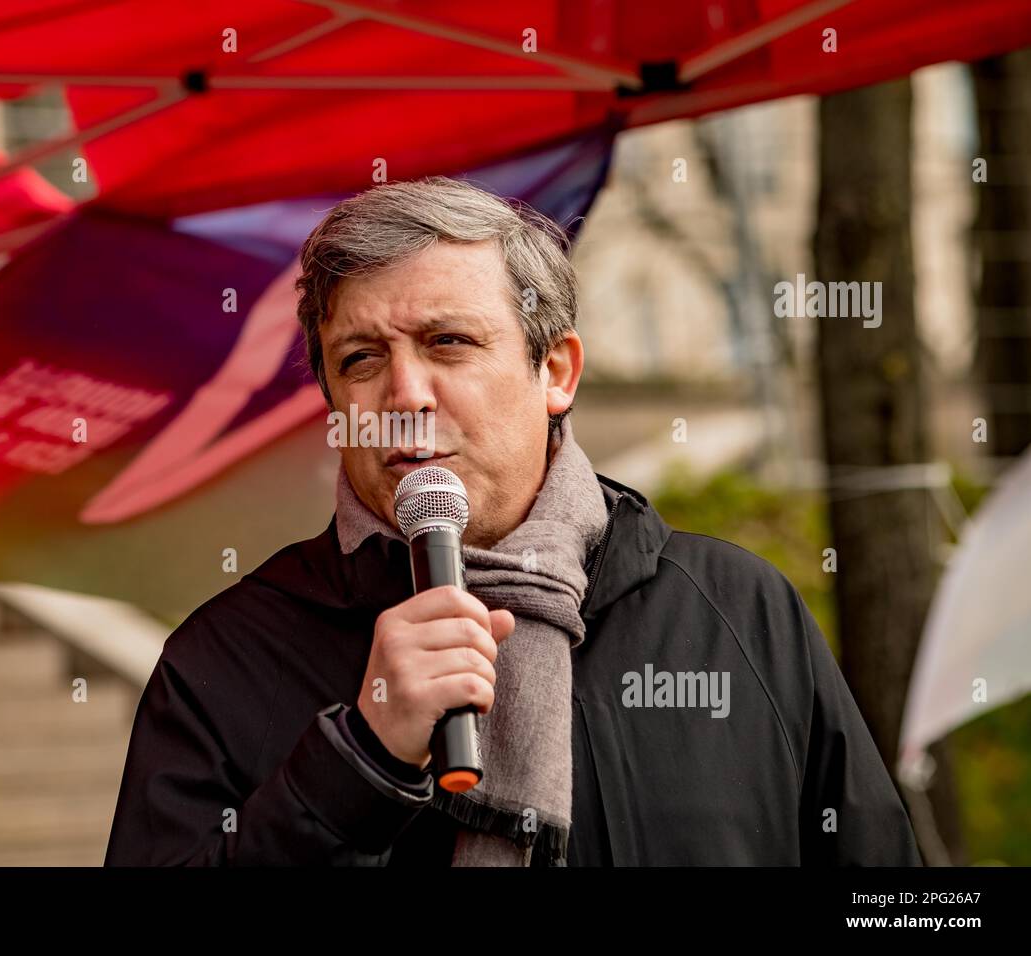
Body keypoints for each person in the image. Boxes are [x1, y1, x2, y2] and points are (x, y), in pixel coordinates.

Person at [104, 176, 921, 866]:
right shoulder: (221, 661)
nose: (407, 397)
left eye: (449, 342)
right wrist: (358, 763)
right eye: (361, 359)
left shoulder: (736, 613)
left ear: (555, 370)